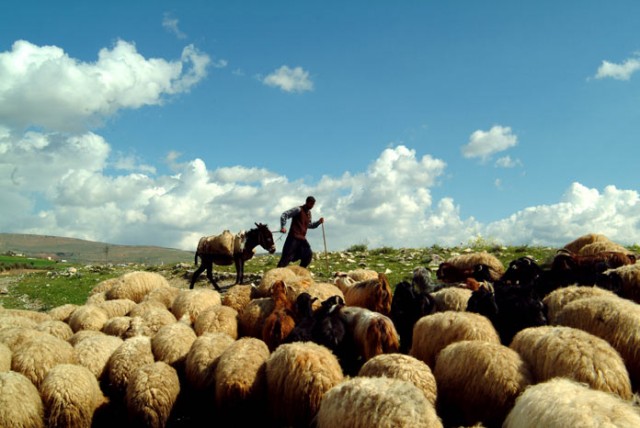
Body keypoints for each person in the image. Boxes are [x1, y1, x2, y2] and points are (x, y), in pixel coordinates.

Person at [277, 196, 324, 268]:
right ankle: (277, 276)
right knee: (285, 259)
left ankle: (299, 272)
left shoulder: (309, 214)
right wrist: (283, 227)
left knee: (308, 255)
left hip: (302, 239)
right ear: (307, 202)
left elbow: (309, 225)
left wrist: (318, 222)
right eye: (311, 204)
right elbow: (284, 215)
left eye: (313, 204)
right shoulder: (298, 209)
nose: (312, 206)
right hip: (293, 238)